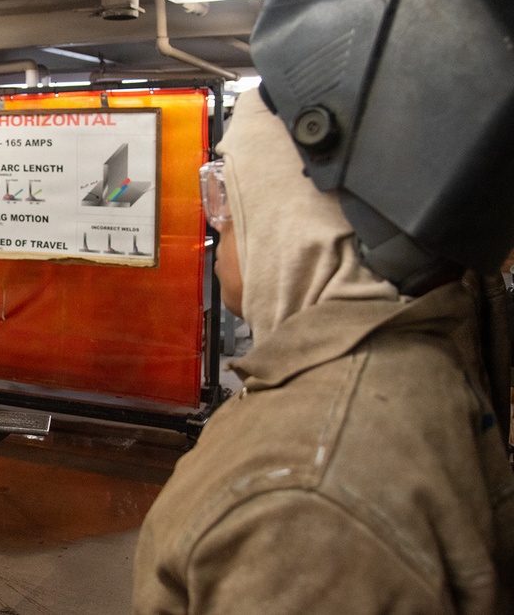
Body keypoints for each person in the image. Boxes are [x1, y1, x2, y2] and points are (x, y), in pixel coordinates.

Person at [131, 87, 514, 614]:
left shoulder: (301, 492)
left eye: (230, 190)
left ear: (294, 213)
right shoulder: (414, 357)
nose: (217, 222)